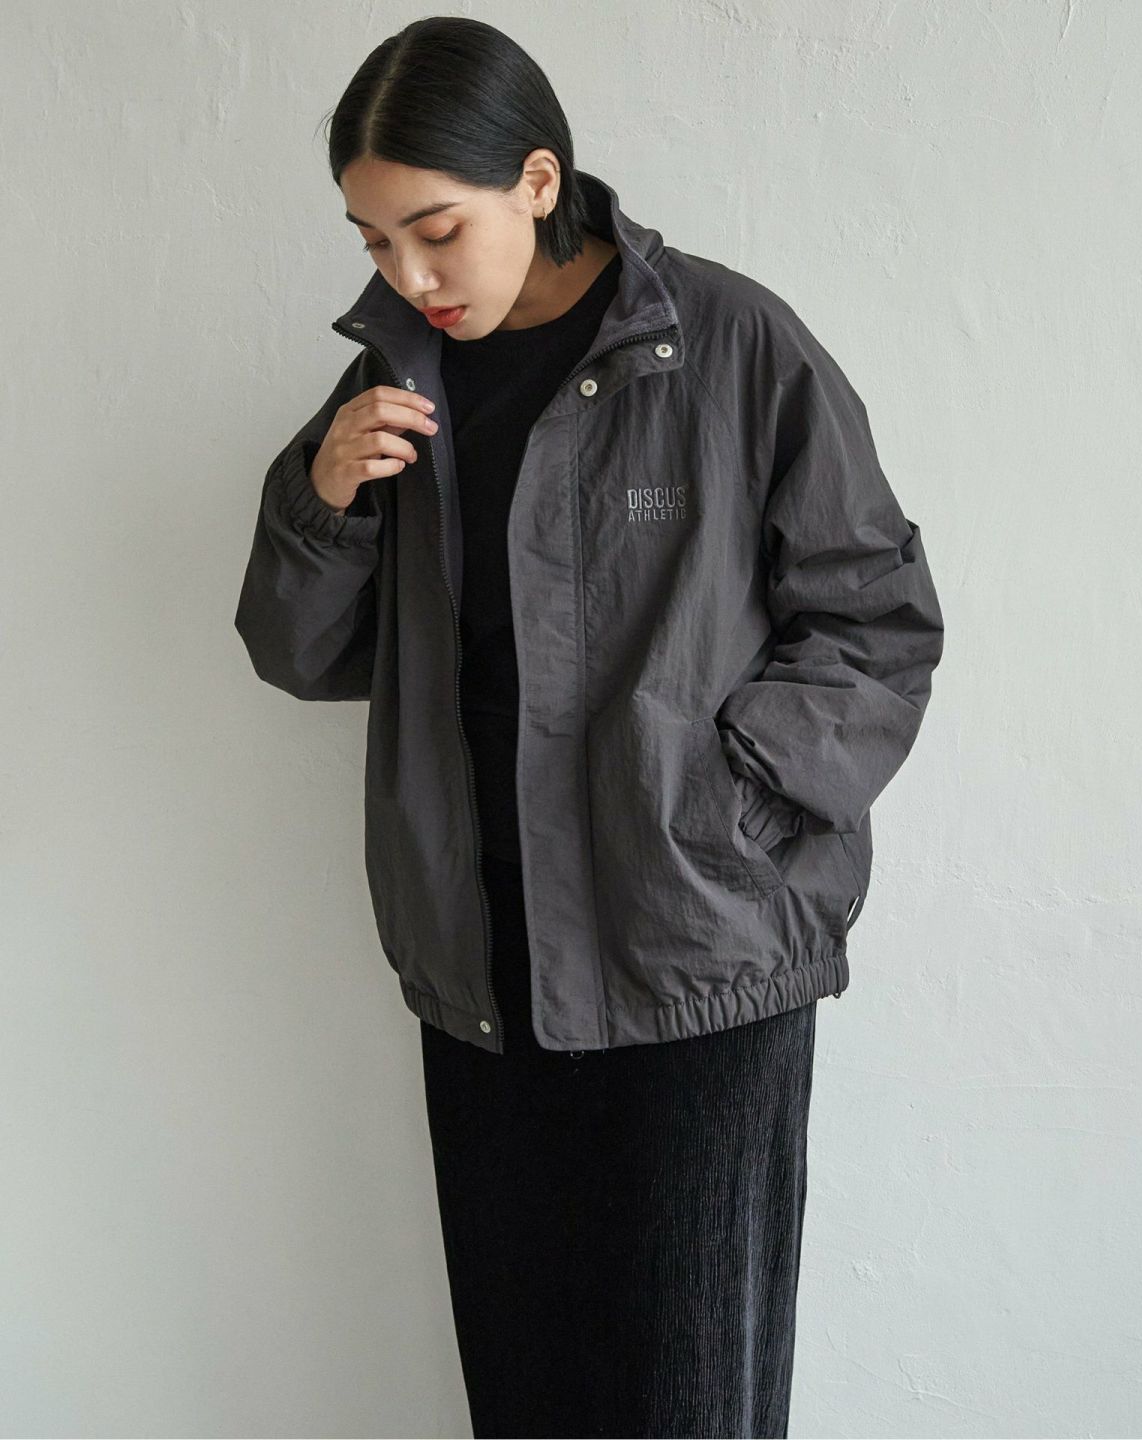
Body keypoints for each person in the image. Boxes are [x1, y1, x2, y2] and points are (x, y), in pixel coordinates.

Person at [234, 15, 944, 1438]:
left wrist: (719, 809)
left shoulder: (729, 344)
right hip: (483, 963)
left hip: (688, 951)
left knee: (683, 1398)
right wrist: (323, 499)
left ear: (539, 180)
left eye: (437, 230)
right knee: (528, 1393)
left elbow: (877, 623)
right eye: (374, 242)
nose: (408, 277)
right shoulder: (393, 381)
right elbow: (301, 654)